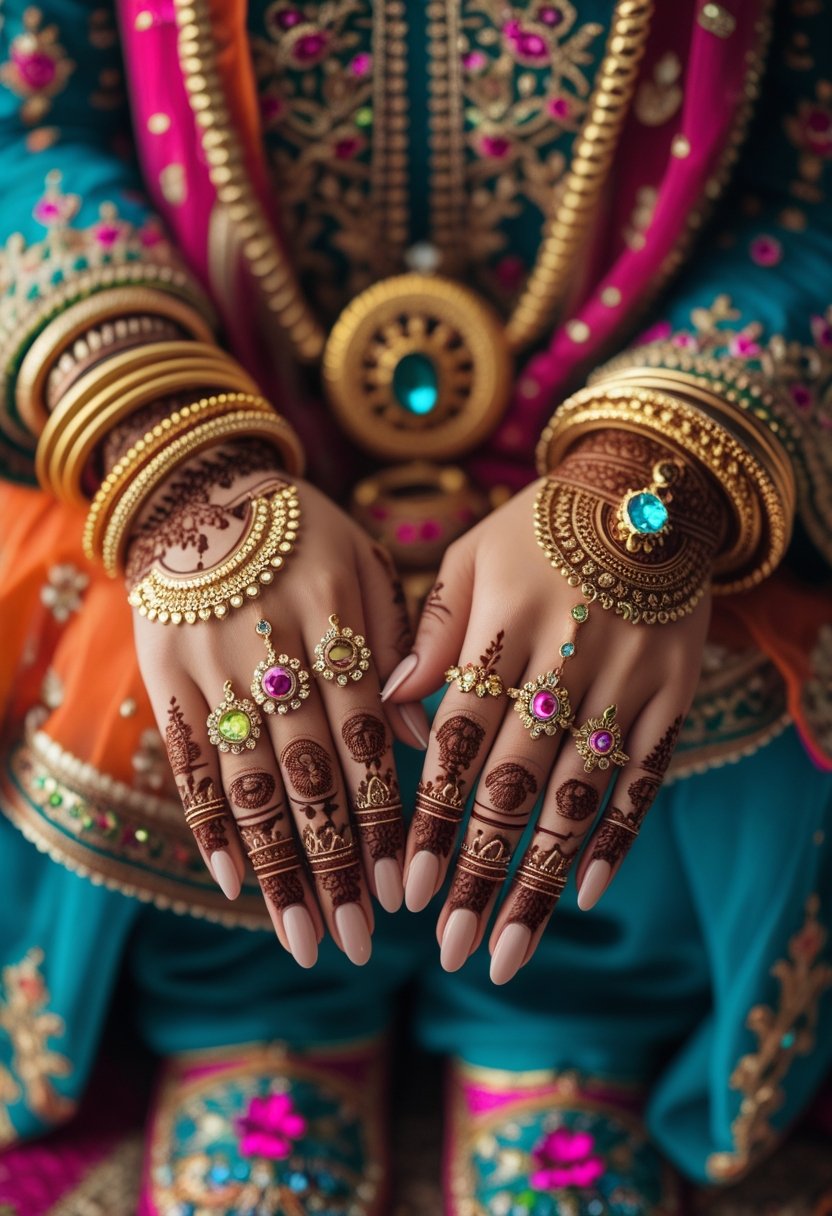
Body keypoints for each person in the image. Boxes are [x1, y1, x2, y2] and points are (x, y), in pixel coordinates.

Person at [0, 0, 830, 1212]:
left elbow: (808, 188)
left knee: (660, 653)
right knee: (156, 643)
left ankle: (565, 1023)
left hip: (644, 435)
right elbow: (28, 131)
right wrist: (168, 458)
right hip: (194, 408)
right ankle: (250, 1004)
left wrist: (651, 490)